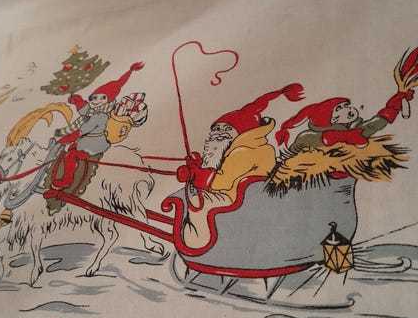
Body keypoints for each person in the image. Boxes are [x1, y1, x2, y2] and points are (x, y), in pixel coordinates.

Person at [176, 83, 304, 249]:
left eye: (227, 129)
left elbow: (218, 183)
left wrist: (194, 173)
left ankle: (197, 243)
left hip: (237, 201)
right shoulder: (255, 147)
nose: (219, 133)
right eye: (216, 129)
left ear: (242, 131)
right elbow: (223, 170)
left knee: (196, 200)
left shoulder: (244, 151)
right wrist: (198, 164)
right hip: (247, 199)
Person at [52, 62, 143, 189]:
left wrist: (66, 138)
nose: (97, 101)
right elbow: (85, 110)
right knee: (72, 148)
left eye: (102, 98)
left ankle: (67, 180)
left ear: (108, 99)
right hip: (93, 141)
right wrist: (77, 101)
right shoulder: (94, 111)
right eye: (94, 98)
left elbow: (82, 130)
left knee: (70, 155)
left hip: (94, 144)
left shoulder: (100, 115)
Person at [275, 91, 414, 154]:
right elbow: (296, 150)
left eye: (346, 105)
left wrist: (392, 108)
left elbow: (372, 125)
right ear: (331, 119)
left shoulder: (353, 129)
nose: (347, 109)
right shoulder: (308, 136)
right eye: (339, 109)